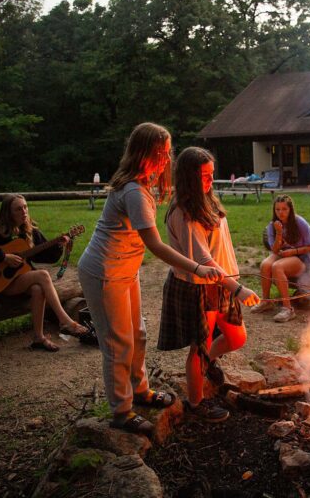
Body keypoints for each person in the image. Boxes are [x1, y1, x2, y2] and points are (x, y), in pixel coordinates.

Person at [77, 123, 222, 436]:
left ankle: (141, 391)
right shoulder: (133, 191)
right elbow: (156, 246)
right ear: (145, 154)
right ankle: (122, 411)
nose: (167, 159)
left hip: (124, 270)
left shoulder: (140, 185)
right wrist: (198, 268)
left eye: (168, 152)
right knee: (118, 344)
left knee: (137, 335)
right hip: (104, 272)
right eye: (162, 153)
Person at [158, 147, 260, 422]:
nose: (210, 181)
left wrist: (234, 281)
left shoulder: (207, 201)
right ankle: (195, 403)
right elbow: (203, 259)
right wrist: (238, 289)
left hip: (222, 283)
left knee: (236, 337)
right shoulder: (184, 212)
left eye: (211, 174)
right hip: (199, 286)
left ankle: (206, 365)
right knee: (199, 348)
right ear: (189, 177)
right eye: (204, 176)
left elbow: (221, 247)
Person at [0, 194, 89, 351]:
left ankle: (38, 338)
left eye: (25, 207)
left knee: (38, 289)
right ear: (8, 213)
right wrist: (4, 256)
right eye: (18, 209)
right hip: (1, 284)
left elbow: (46, 257)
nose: (24, 211)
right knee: (43, 275)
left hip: (17, 281)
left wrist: (58, 246)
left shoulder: (30, 232)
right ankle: (65, 321)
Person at [251, 194, 310, 322]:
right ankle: (266, 301)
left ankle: (288, 309)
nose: (281, 212)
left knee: (277, 267)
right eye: (278, 209)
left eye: (284, 209)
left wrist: (294, 251)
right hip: (283, 255)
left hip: (301, 258)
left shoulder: (299, 222)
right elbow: (275, 250)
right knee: (265, 264)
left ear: (290, 210)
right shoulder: (273, 226)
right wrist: (279, 233)